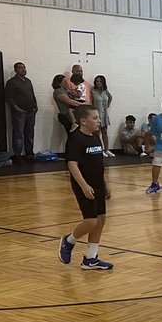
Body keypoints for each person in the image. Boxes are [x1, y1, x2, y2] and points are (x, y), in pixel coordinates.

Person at [57, 106, 113, 270]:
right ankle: (68, 241)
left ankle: (90, 258)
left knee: (101, 220)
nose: (98, 121)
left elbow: (98, 165)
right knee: (90, 221)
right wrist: (84, 186)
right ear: (83, 121)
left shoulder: (96, 138)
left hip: (98, 185)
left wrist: (105, 184)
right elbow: (72, 164)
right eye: (95, 118)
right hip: (84, 185)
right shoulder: (76, 139)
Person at [3, 62, 37, 162]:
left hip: (31, 111)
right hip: (19, 113)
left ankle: (29, 153)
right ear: (15, 70)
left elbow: (32, 94)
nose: (23, 69)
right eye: (20, 68)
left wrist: (35, 105)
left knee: (30, 133)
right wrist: (17, 108)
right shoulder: (11, 82)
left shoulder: (28, 81)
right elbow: (8, 97)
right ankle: (17, 155)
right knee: (18, 133)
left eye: (24, 67)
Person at [52, 74, 80, 142]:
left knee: (74, 136)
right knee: (72, 136)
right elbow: (69, 101)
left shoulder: (66, 90)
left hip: (72, 115)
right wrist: (83, 104)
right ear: (59, 83)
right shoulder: (58, 91)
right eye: (64, 81)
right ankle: (70, 152)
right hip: (65, 115)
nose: (67, 83)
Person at [91, 75, 114, 156]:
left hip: (104, 114)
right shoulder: (93, 90)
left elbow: (110, 97)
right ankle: (99, 149)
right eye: (97, 81)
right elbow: (91, 101)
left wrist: (107, 105)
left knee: (105, 132)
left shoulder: (105, 91)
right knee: (97, 133)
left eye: (100, 81)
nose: (99, 83)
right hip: (97, 114)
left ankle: (107, 149)